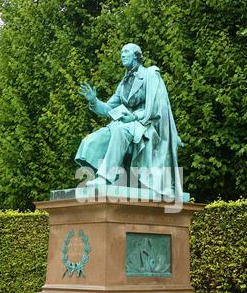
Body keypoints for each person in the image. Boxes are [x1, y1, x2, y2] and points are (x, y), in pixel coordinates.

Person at [75, 43, 183, 201]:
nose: (122, 55)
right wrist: (93, 101)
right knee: (94, 139)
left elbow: (157, 107)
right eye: (121, 52)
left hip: (146, 125)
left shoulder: (150, 75)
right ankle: (99, 175)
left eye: (126, 51)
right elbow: (108, 109)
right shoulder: (123, 83)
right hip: (125, 124)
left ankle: (105, 178)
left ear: (136, 56)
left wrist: (134, 117)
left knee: (119, 130)